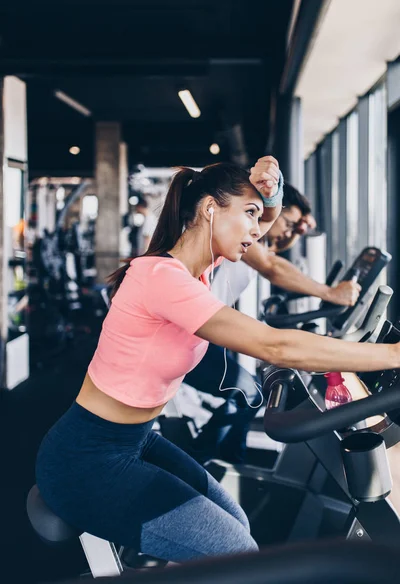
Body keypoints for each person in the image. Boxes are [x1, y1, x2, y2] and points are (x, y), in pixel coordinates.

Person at [35, 157, 400, 564]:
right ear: (210, 209)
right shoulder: (160, 276)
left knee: (238, 525)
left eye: (259, 217)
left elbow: (267, 225)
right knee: (237, 554)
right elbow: (273, 346)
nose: (258, 231)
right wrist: (392, 355)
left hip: (134, 441)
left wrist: (271, 189)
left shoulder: (201, 271)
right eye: (249, 215)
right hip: (86, 460)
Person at [184, 182, 360, 465]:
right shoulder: (238, 233)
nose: (291, 230)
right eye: (287, 221)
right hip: (186, 333)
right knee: (249, 393)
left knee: (248, 393)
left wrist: (293, 228)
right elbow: (272, 267)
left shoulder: (254, 242)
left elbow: (273, 255)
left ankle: (229, 461)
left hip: (201, 329)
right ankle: (195, 464)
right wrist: (330, 293)